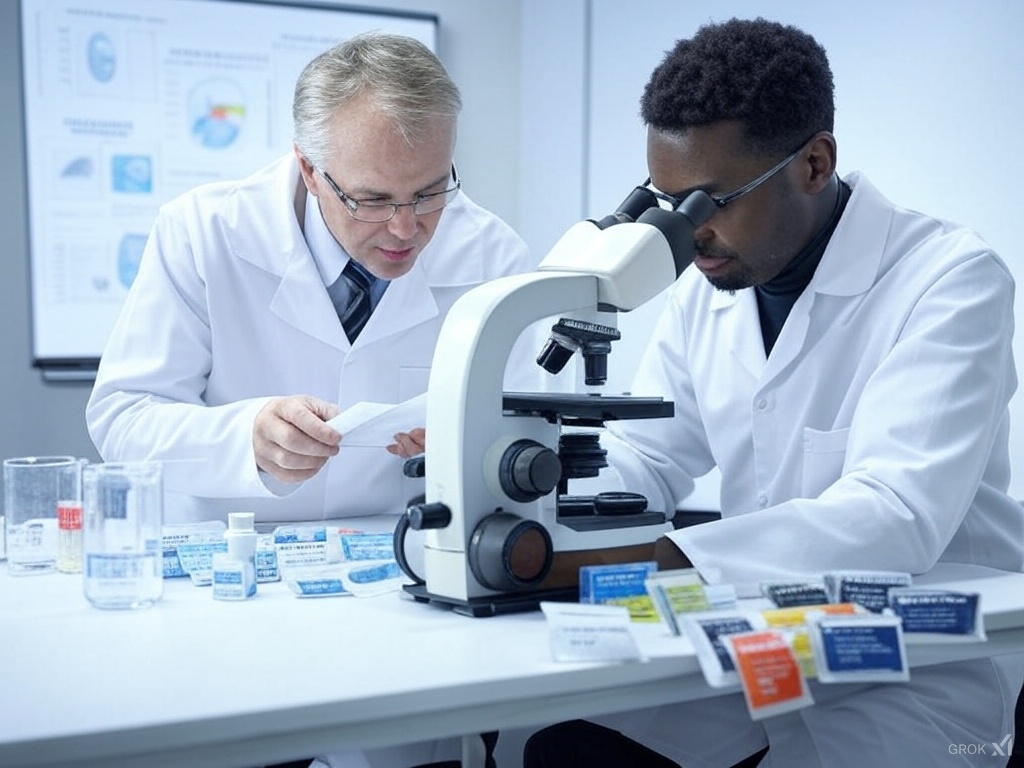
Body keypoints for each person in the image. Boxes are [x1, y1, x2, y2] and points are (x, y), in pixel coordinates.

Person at [523, 17, 1024, 768]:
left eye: (710, 201)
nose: (686, 234)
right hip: (759, 647)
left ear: (815, 163)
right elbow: (649, 456)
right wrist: (535, 492)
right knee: (563, 747)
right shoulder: (715, 281)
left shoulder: (948, 278)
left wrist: (660, 559)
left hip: (912, 665)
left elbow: (897, 514)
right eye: (664, 201)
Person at [86, 32, 535, 530]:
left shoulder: (492, 256)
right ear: (309, 169)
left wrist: (467, 445)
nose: (405, 227)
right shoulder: (202, 232)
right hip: (232, 557)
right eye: (373, 199)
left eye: (430, 192)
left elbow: (526, 430)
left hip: (398, 557)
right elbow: (124, 417)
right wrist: (246, 439)